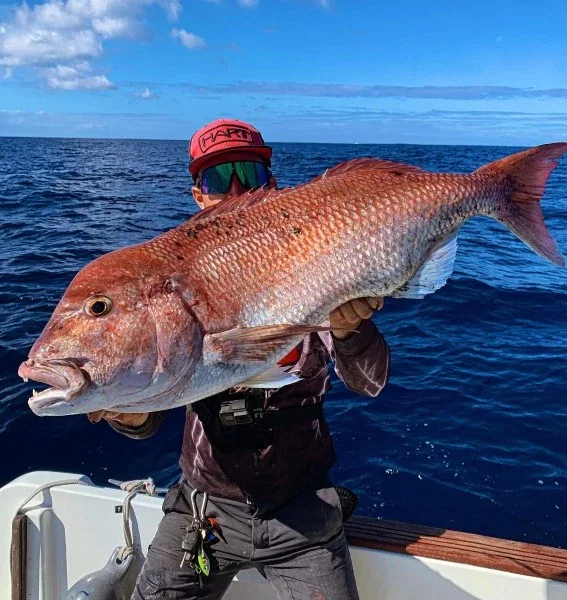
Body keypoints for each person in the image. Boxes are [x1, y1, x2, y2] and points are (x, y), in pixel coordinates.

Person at [89, 118, 391, 600]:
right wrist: (127, 413)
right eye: (216, 178)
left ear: (272, 184)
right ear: (198, 195)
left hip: (304, 510)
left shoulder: (319, 261)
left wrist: (351, 330)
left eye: (249, 174)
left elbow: (370, 383)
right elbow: (148, 416)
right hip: (202, 509)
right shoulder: (172, 279)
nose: (235, 191)